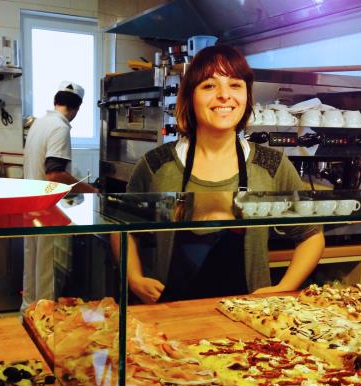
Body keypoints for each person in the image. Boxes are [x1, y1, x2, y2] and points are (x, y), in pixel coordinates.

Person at [112, 45, 325, 304]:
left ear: (247, 95)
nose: (225, 96)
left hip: (251, 319)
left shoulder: (272, 164)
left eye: (235, 85)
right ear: (190, 96)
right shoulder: (157, 164)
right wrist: (133, 276)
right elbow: (121, 227)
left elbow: (311, 235)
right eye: (209, 86)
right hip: (171, 316)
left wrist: (284, 288)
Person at [21, 81, 96, 312]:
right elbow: (55, 174)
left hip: (30, 205)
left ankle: (27, 313)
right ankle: (44, 321)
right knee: (45, 270)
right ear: (77, 108)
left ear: (56, 101)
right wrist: (91, 191)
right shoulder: (60, 127)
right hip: (45, 209)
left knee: (31, 266)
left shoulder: (39, 123)